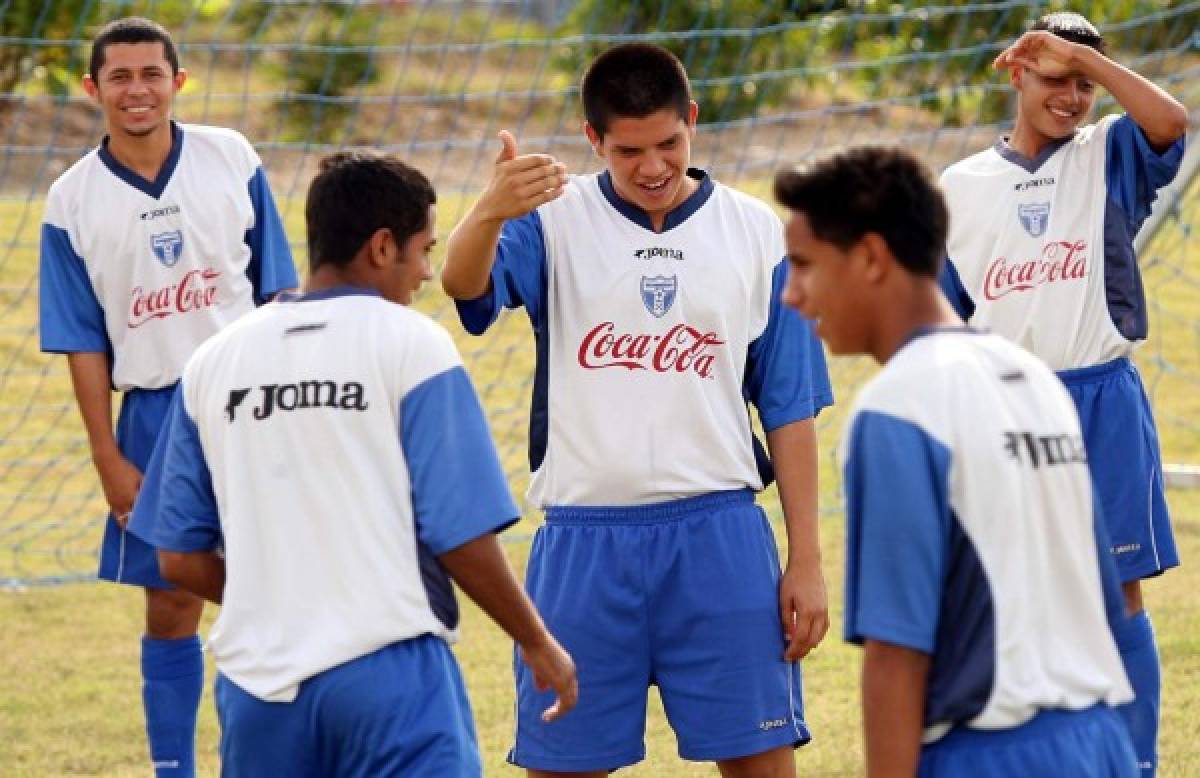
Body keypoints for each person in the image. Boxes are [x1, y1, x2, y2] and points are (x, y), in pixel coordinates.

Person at [441, 42, 833, 777]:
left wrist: (805, 560)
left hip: (720, 537)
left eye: (668, 144)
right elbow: (463, 284)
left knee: (762, 766)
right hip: (584, 543)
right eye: (628, 152)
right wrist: (490, 210)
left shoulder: (758, 235)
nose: (652, 167)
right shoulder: (552, 221)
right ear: (594, 140)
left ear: (691, 120)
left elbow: (791, 407)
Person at [127, 151, 578, 776]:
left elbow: (177, 557)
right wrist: (536, 639)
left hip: (259, 690)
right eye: (423, 250)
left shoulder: (214, 361)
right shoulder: (411, 344)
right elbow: (462, 538)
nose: (425, 272)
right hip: (388, 676)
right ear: (382, 246)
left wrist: (277, 601)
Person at [776, 144, 1139, 777]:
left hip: (989, 752)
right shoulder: (1034, 380)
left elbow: (896, 654)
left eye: (805, 266)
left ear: (870, 257)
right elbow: (1106, 604)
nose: (792, 295)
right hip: (1098, 741)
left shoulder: (898, 408)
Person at [37, 16, 297, 777]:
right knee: (172, 602)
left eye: (152, 73)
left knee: (280, 582)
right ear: (93, 90)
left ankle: (274, 754)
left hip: (251, 403)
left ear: (178, 81)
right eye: (119, 77)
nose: (137, 89)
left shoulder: (231, 157)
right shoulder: (69, 200)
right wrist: (107, 458)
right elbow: (83, 340)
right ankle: (173, 770)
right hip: (155, 415)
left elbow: (277, 289)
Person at [936, 12, 1187, 774]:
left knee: (1118, 598)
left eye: (1083, 82)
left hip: (1101, 401)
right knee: (1009, 603)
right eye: (1054, 79)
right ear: (1016, 74)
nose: (1071, 96)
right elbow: (945, 320)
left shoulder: (1109, 152)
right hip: (1005, 409)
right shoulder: (960, 187)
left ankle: (1132, 762)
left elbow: (1172, 122)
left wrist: (1087, 61)